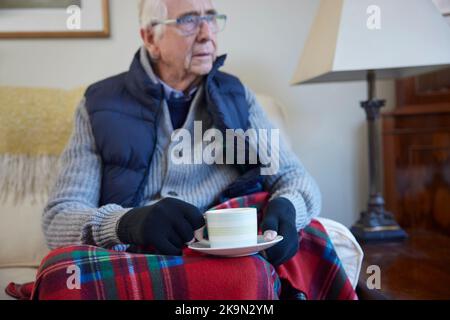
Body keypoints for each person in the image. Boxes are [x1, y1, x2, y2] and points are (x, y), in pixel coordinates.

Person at [42, 0, 321, 275]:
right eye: (188, 20)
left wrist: (289, 207)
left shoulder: (237, 96)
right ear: (151, 37)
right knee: (60, 275)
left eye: (210, 18)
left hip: (223, 258)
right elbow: (59, 219)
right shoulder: (99, 104)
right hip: (137, 261)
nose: (206, 34)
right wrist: (126, 223)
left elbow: (294, 178)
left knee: (311, 242)